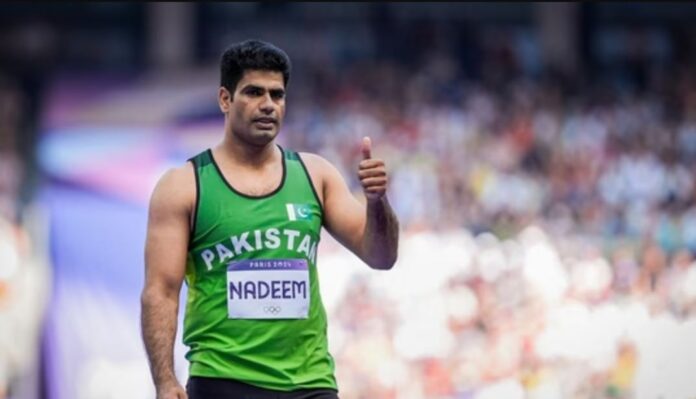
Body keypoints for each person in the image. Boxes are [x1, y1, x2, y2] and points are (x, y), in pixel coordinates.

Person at [140, 39, 399, 399]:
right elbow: (161, 292)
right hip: (223, 380)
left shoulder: (315, 175)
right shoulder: (184, 186)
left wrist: (377, 202)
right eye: (254, 92)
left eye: (277, 95)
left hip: (311, 382)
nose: (267, 105)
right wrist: (164, 380)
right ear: (225, 99)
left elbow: (381, 256)